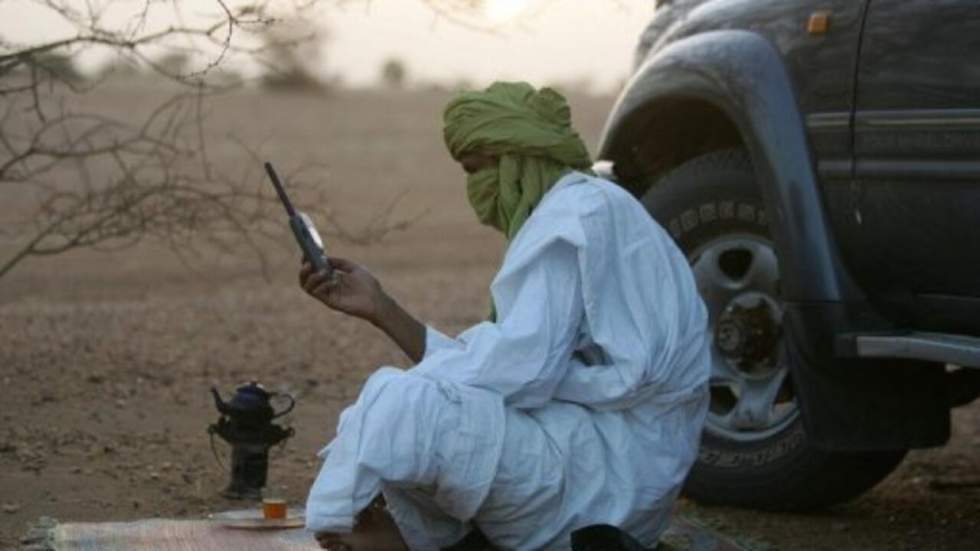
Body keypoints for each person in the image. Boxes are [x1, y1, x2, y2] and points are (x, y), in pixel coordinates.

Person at [300, 81, 710, 550]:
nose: (475, 190)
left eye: (476, 170)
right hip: (609, 469)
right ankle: (372, 529)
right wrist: (381, 309)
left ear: (516, 158)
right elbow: (509, 368)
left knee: (403, 403)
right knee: (409, 409)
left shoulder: (574, 216)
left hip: (605, 485)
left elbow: (521, 370)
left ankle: (344, 527)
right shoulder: (591, 207)